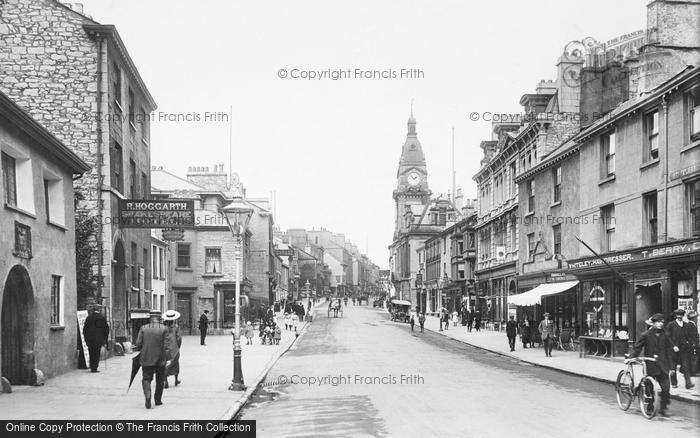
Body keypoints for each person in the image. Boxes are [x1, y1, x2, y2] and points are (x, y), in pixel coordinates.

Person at [627, 313, 674, 417]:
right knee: (649, 388)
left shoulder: (666, 335)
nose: (660, 324)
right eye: (658, 322)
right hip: (650, 365)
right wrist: (631, 358)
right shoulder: (645, 335)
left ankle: (664, 408)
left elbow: (669, 351)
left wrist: (672, 366)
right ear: (653, 323)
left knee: (666, 388)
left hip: (663, 366)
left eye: (662, 322)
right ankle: (649, 407)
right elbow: (637, 348)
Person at [135, 310, 170, 409]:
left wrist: (143, 349)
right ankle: (158, 400)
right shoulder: (164, 328)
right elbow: (167, 345)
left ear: (150, 318)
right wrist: (168, 358)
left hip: (146, 358)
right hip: (160, 358)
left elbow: (138, 343)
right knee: (160, 380)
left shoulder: (144, 328)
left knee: (146, 378)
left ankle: (147, 396)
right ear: (159, 318)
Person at [666, 309, 695, 389]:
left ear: (683, 316)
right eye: (678, 315)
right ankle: (674, 383)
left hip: (683, 349)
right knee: (673, 366)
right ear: (675, 316)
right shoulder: (671, 325)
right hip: (673, 349)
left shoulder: (686, 325)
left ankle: (688, 383)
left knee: (685, 366)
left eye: (681, 315)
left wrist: (688, 343)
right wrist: (673, 346)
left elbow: (689, 336)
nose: (679, 316)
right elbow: (667, 337)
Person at [82, 305, 109, 373]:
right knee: (97, 353)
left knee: (91, 353)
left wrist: (86, 339)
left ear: (93, 310)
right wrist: (105, 339)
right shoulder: (102, 318)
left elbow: (85, 330)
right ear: (99, 310)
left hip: (90, 340)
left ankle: (92, 367)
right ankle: (95, 367)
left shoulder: (88, 318)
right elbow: (106, 329)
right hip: (99, 340)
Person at [162, 310, 182, 389]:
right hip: (174, 348)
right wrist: (178, 347)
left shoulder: (163, 327)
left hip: (165, 348)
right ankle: (176, 380)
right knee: (175, 363)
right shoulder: (176, 327)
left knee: (165, 364)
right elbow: (179, 338)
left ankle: (165, 381)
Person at [686, 311, 699, 376]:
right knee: (693, 358)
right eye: (695, 318)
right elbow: (691, 336)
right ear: (693, 318)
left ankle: (693, 371)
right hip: (692, 345)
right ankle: (692, 371)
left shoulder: (691, 324)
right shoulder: (691, 325)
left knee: (693, 358)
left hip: (693, 344)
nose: (697, 319)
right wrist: (694, 343)